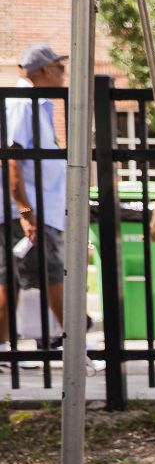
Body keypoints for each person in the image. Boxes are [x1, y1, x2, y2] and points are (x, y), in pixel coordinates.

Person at [3, 45, 71, 352]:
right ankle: (76, 343)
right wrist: (25, 211)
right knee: (50, 274)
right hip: (31, 210)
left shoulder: (37, 104)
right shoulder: (23, 103)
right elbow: (10, 158)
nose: (64, 74)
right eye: (60, 67)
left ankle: (4, 350)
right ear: (45, 70)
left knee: (12, 280)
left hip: (38, 208)